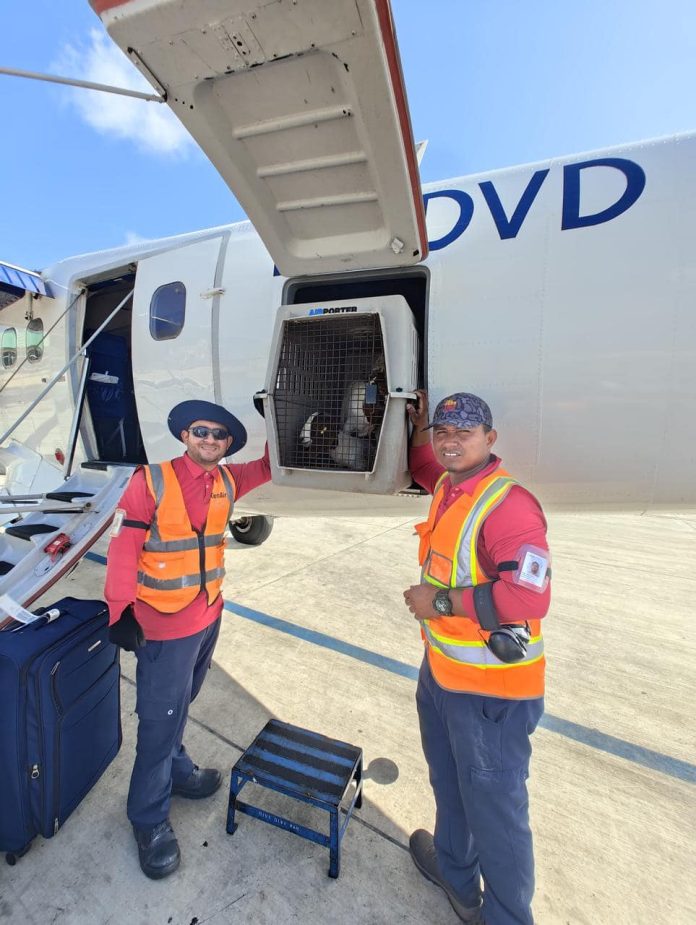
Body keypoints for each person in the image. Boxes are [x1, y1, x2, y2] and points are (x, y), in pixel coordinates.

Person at [105, 399, 271, 880]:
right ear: (184, 435)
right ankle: (148, 818)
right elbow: (123, 548)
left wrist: (280, 418)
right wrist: (119, 610)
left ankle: (177, 769)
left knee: (182, 703)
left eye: (219, 435)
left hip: (207, 616)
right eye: (201, 431)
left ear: (227, 444)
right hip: (163, 626)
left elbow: (269, 466)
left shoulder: (228, 480)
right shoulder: (150, 481)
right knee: (159, 722)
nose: (209, 440)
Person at [403, 390, 550, 925]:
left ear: (490, 438)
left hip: (491, 694)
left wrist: (438, 602)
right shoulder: (450, 486)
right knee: (449, 785)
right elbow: (426, 466)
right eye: (443, 433)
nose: (451, 442)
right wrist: (418, 428)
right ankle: (457, 877)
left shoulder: (509, 506)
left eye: (464, 432)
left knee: (495, 813)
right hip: (444, 674)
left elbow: (530, 599)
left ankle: (507, 917)